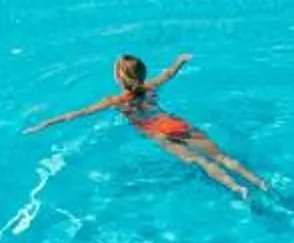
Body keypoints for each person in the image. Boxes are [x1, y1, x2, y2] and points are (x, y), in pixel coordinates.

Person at [27, 53, 267, 196]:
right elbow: (169, 74)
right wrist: (180, 61)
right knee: (221, 156)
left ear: (118, 78)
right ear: (142, 75)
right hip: (173, 123)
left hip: (155, 131)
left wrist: (45, 123)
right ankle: (258, 182)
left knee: (200, 161)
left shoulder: (114, 100)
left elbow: (78, 114)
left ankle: (236, 188)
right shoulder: (150, 86)